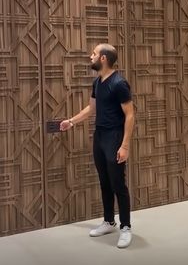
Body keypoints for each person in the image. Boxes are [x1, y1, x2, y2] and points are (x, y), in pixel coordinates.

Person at [60, 44, 134, 249]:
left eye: (93, 54)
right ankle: (109, 222)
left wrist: (125, 145)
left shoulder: (119, 84)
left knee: (118, 184)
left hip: (114, 136)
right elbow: (92, 108)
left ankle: (126, 227)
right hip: (100, 136)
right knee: (104, 182)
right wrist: (71, 121)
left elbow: (130, 115)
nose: (89, 56)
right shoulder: (97, 82)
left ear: (103, 58)